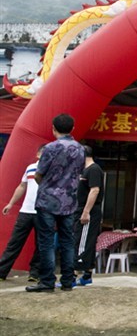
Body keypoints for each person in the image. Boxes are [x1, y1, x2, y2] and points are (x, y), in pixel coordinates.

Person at [26, 114, 85, 293]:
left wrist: (47, 186)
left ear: (53, 128)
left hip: (48, 201)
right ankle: (67, 281)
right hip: (69, 201)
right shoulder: (80, 149)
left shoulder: (50, 148)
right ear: (72, 128)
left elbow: (39, 174)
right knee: (68, 241)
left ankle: (47, 281)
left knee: (46, 241)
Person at [0, 146, 44, 282]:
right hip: (26, 211)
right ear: (38, 154)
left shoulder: (53, 169)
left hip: (43, 211)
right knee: (14, 242)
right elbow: (22, 186)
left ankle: (34, 273)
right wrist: (11, 203)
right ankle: (2, 271)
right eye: (43, 153)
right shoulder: (30, 168)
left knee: (41, 244)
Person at [73, 145, 104, 286]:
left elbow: (95, 190)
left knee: (81, 242)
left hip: (88, 210)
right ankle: (87, 275)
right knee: (86, 241)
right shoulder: (84, 170)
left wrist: (86, 211)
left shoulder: (94, 169)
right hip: (81, 208)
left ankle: (73, 275)